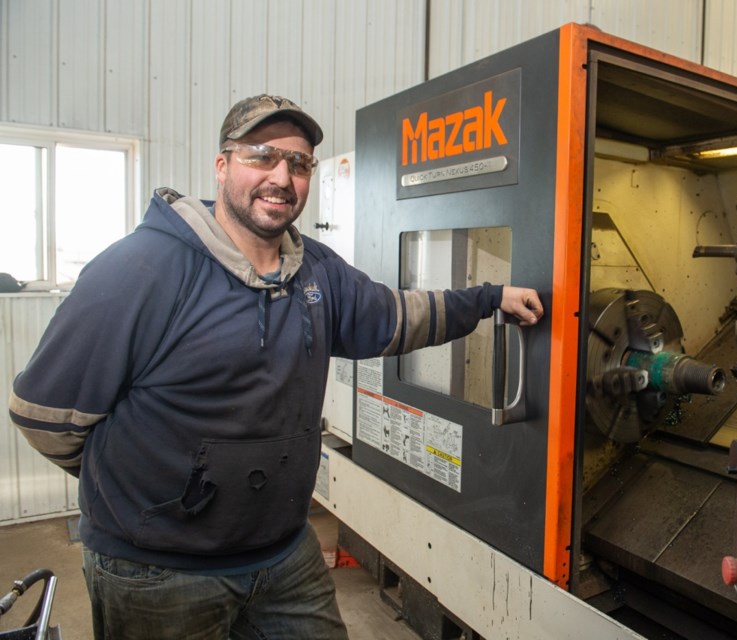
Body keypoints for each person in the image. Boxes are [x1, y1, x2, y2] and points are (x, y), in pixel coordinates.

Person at [8, 93, 544, 640]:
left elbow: (398, 317)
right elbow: (43, 416)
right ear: (222, 166)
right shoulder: (141, 269)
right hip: (158, 572)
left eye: (299, 163)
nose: (281, 177)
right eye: (261, 156)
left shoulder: (316, 270)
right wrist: (138, 485)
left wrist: (488, 298)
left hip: (283, 554)